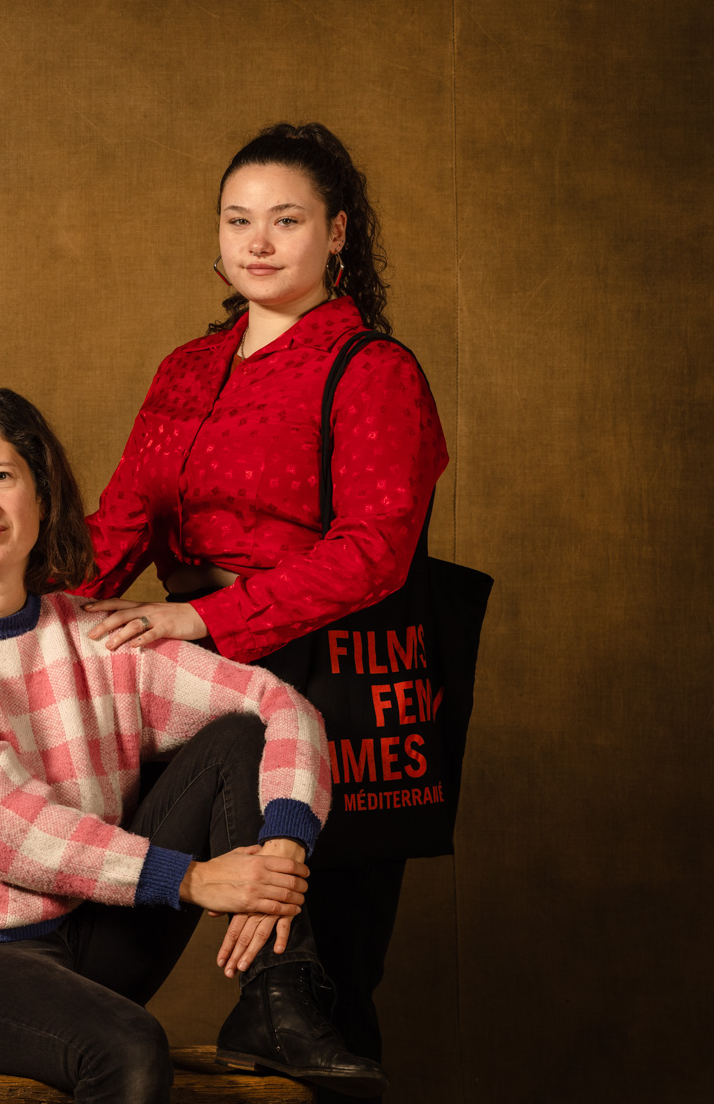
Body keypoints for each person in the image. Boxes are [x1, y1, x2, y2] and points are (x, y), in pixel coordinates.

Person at [0, 388, 386, 1102]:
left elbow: (279, 703)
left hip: (84, 931)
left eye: (2, 476)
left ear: (42, 496)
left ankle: (277, 999)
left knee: (239, 735)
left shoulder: (92, 632)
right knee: (129, 1049)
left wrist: (284, 845)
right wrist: (192, 879)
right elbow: (2, 825)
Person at [79, 123, 448, 1071]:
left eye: (286, 220)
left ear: (337, 232)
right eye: (238, 219)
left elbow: (374, 553)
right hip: (196, 674)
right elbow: (119, 526)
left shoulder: (374, 368)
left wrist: (203, 616)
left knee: (332, 982)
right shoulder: (186, 368)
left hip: (329, 667)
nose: (259, 241)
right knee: (227, 935)